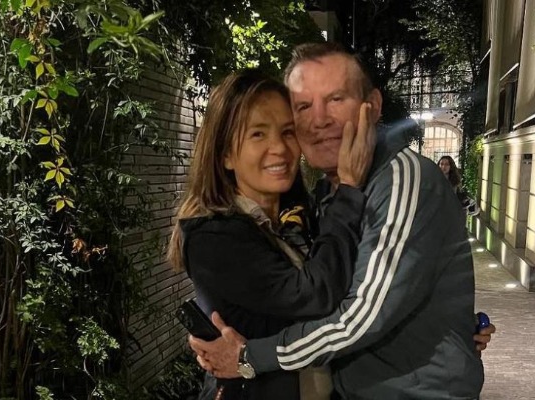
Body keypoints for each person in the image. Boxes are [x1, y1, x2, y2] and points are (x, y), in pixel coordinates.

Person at [190, 43, 495, 400]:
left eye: (335, 99)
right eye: (303, 106)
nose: (319, 119)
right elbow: (325, 294)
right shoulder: (324, 197)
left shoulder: (401, 180)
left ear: (373, 106)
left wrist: (249, 357)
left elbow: (361, 316)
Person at [168, 69, 376, 399]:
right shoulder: (213, 236)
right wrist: (349, 189)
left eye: (287, 131)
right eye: (258, 134)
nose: (279, 147)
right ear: (225, 154)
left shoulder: (294, 217)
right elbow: (316, 296)